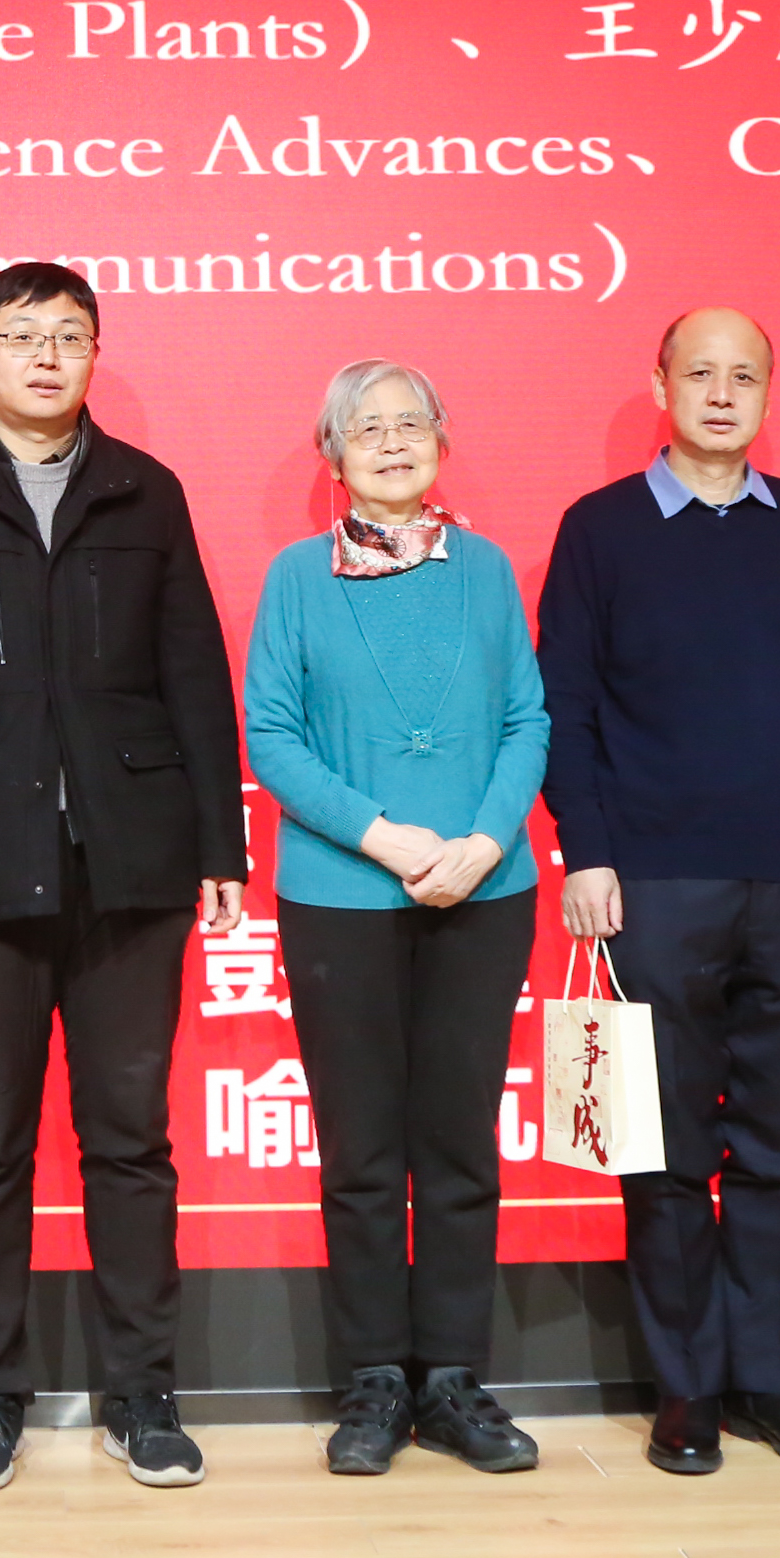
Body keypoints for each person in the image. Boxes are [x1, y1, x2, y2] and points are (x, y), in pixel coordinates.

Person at [0, 263, 249, 1495]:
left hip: (131, 856)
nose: (44, 356)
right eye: (20, 336)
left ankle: (142, 1391)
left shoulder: (144, 489)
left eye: (68, 336)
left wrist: (219, 845)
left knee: (130, 1137)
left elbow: (193, 671)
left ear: (92, 352)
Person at [537, 307, 780, 1479]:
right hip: (654, 880)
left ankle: (772, 1381)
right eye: (701, 372)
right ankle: (685, 1386)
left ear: (768, 394)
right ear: (661, 385)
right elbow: (567, 700)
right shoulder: (600, 527)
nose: (722, 393)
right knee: (669, 1146)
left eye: (745, 375)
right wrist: (586, 850)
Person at [244, 360, 549, 1480]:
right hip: (342, 895)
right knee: (363, 1147)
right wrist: (383, 837)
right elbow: (270, 734)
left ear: (441, 441)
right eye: (364, 427)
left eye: (409, 422)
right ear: (333, 455)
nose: (389, 440)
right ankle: (373, 1379)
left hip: (485, 889)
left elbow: (526, 717)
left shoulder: (487, 568)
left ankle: (455, 1378)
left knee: (460, 1141)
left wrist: (482, 840)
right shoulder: (295, 577)